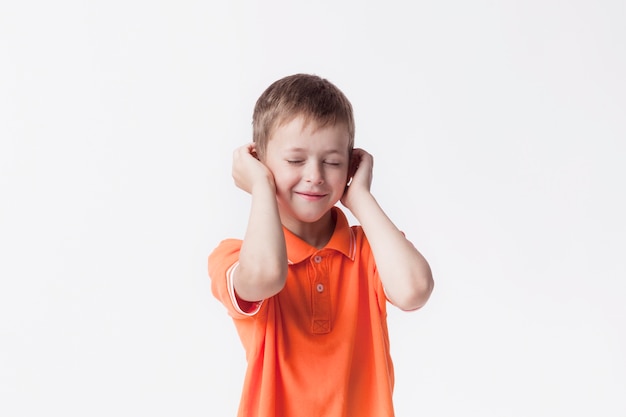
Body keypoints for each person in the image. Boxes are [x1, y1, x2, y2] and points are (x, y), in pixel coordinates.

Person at [208, 73, 434, 417]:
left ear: (350, 166)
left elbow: (414, 290)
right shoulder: (237, 256)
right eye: (295, 160)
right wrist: (260, 187)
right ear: (259, 162)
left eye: (332, 162)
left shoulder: (370, 249)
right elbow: (266, 276)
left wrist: (359, 197)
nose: (315, 175)